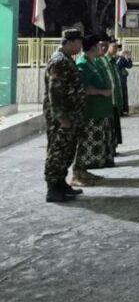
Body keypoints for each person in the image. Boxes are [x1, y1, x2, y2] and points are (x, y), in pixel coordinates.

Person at [43, 29, 86, 202]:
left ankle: (61, 183)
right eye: (78, 43)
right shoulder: (59, 62)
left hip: (71, 115)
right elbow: (55, 92)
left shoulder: (67, 60)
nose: (80, 46)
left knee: (67, 151)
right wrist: (61, 117)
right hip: (61, 119)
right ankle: (53, 189)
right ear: (69, 42)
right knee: (57, 151)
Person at [72, 35, 115, 187]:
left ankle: (83, 171)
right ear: (92, 48)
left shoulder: (92, 63)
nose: (101, 48)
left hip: (99, 111)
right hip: (90, 112)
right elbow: (84, 89)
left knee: (89, 146)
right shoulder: (83, 64)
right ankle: (77, 175)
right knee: (85, 144)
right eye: (98, 46)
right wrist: (102, 92)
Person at [103, 36, 124, 156]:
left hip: (115, 99)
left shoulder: (113, 61)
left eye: (117, 47)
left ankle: (114, 147)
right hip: (110, 100)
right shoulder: (104, 62)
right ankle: (111, 148)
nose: (116, 49)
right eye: (114, 47)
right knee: (111, 126)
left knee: (115, 125)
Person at [115, 43, 133, 115]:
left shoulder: (122, 58)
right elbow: (116, 66)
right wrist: (120, 57)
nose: (119, 50)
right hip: (117, 78)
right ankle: (119, 110)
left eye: (119, 49)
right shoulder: (114, 57)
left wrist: (129, 58)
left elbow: (129, 66)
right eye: (117, 49)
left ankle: (125, 110)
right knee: (118, 94)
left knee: (124, 93)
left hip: (122, 79)